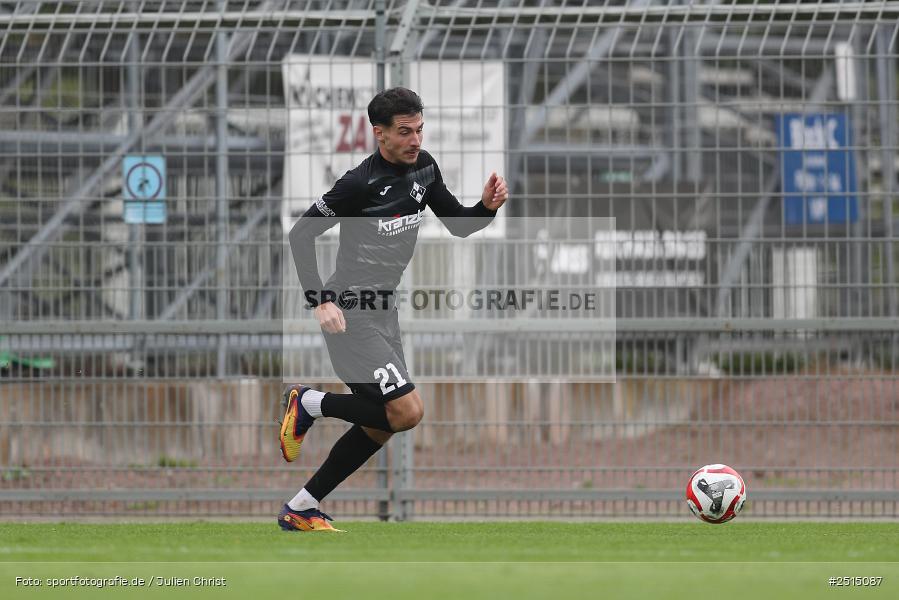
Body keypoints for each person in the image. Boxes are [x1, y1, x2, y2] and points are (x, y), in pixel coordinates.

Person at [278, 87, 508, 531]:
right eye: (405, 132)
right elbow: (301, 236)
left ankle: (302, 506)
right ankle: (309, 402)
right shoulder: (357, 183)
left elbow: (460, 226)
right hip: (349, 314)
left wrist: (486, 208)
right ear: (379, 133)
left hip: (384, 313)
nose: (416, 140)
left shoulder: (425, 168)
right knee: (408, 411)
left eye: (420, 129)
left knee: (384, 424)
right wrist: (319, 302)